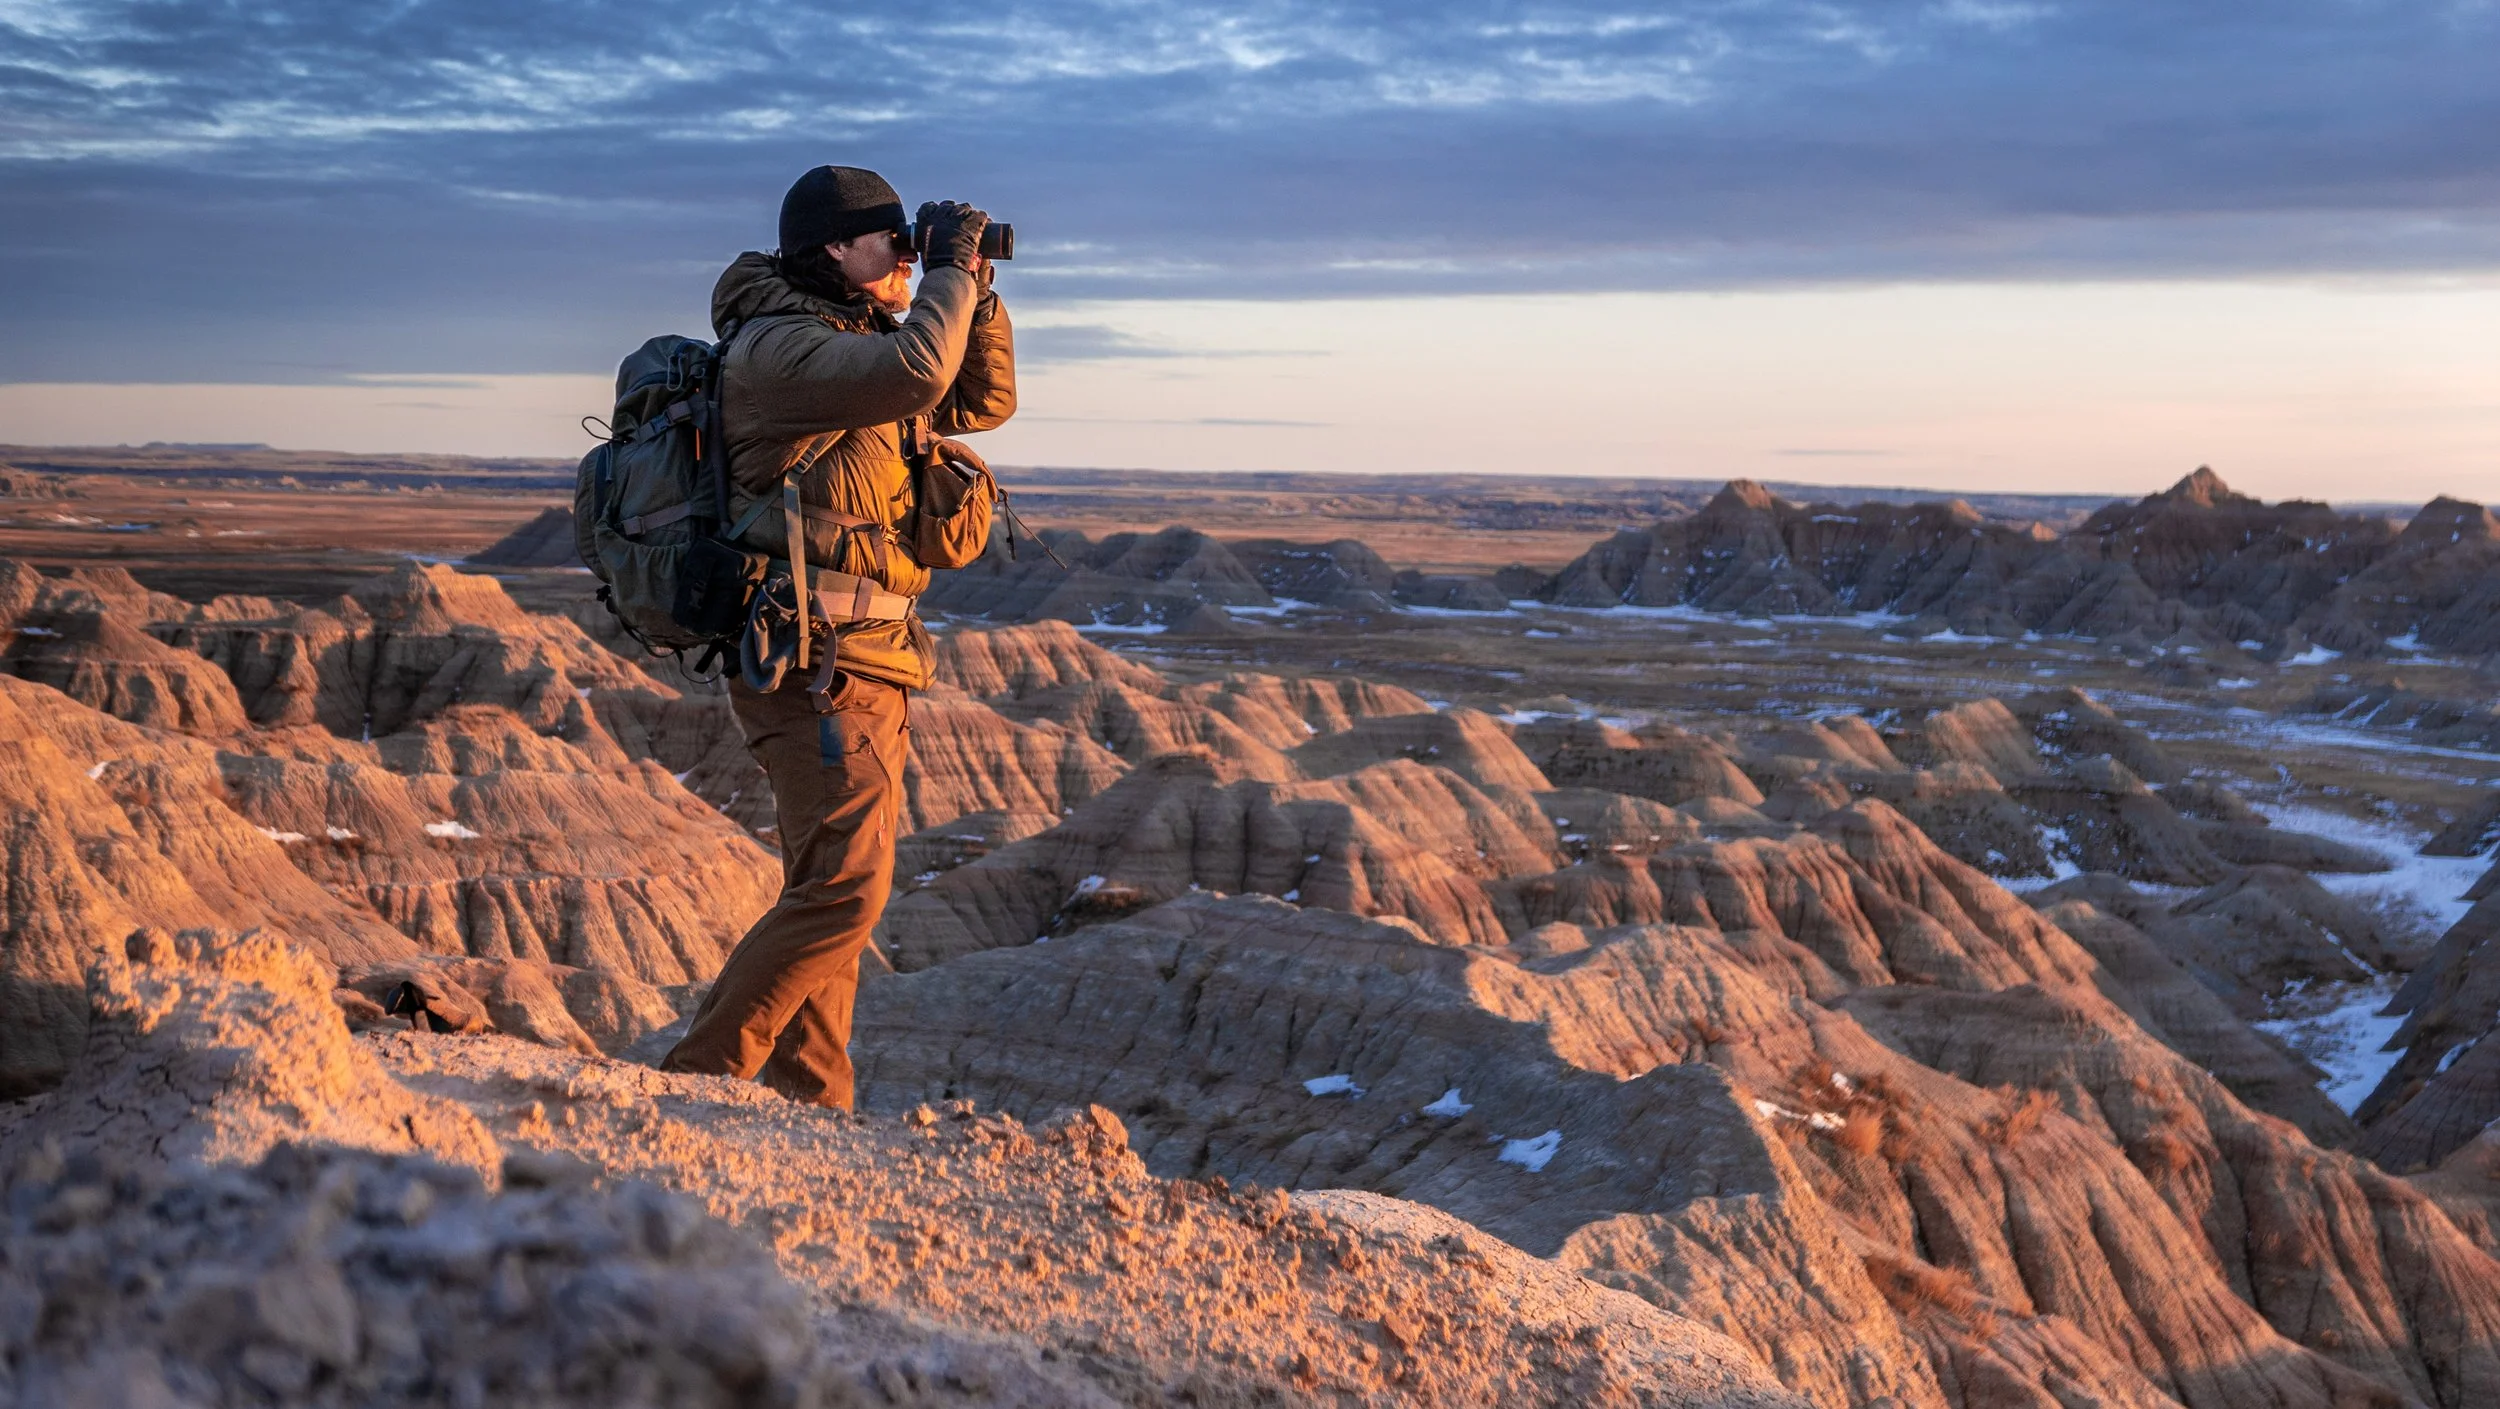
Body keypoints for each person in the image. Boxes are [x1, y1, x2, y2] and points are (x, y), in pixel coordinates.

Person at [661, 165, 1013, 1110]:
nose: (905, 254)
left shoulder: (856, 345)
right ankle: (691, 1091)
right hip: (810, 666)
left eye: (914, 240)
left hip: (870, 662)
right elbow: (916, 372)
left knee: (831, 895)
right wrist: (942, 272)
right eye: (890, 240)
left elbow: (977, 401)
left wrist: (972, 286)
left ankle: (814, 1107)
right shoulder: (782, 352)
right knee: (847, 894)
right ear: (833, 250)